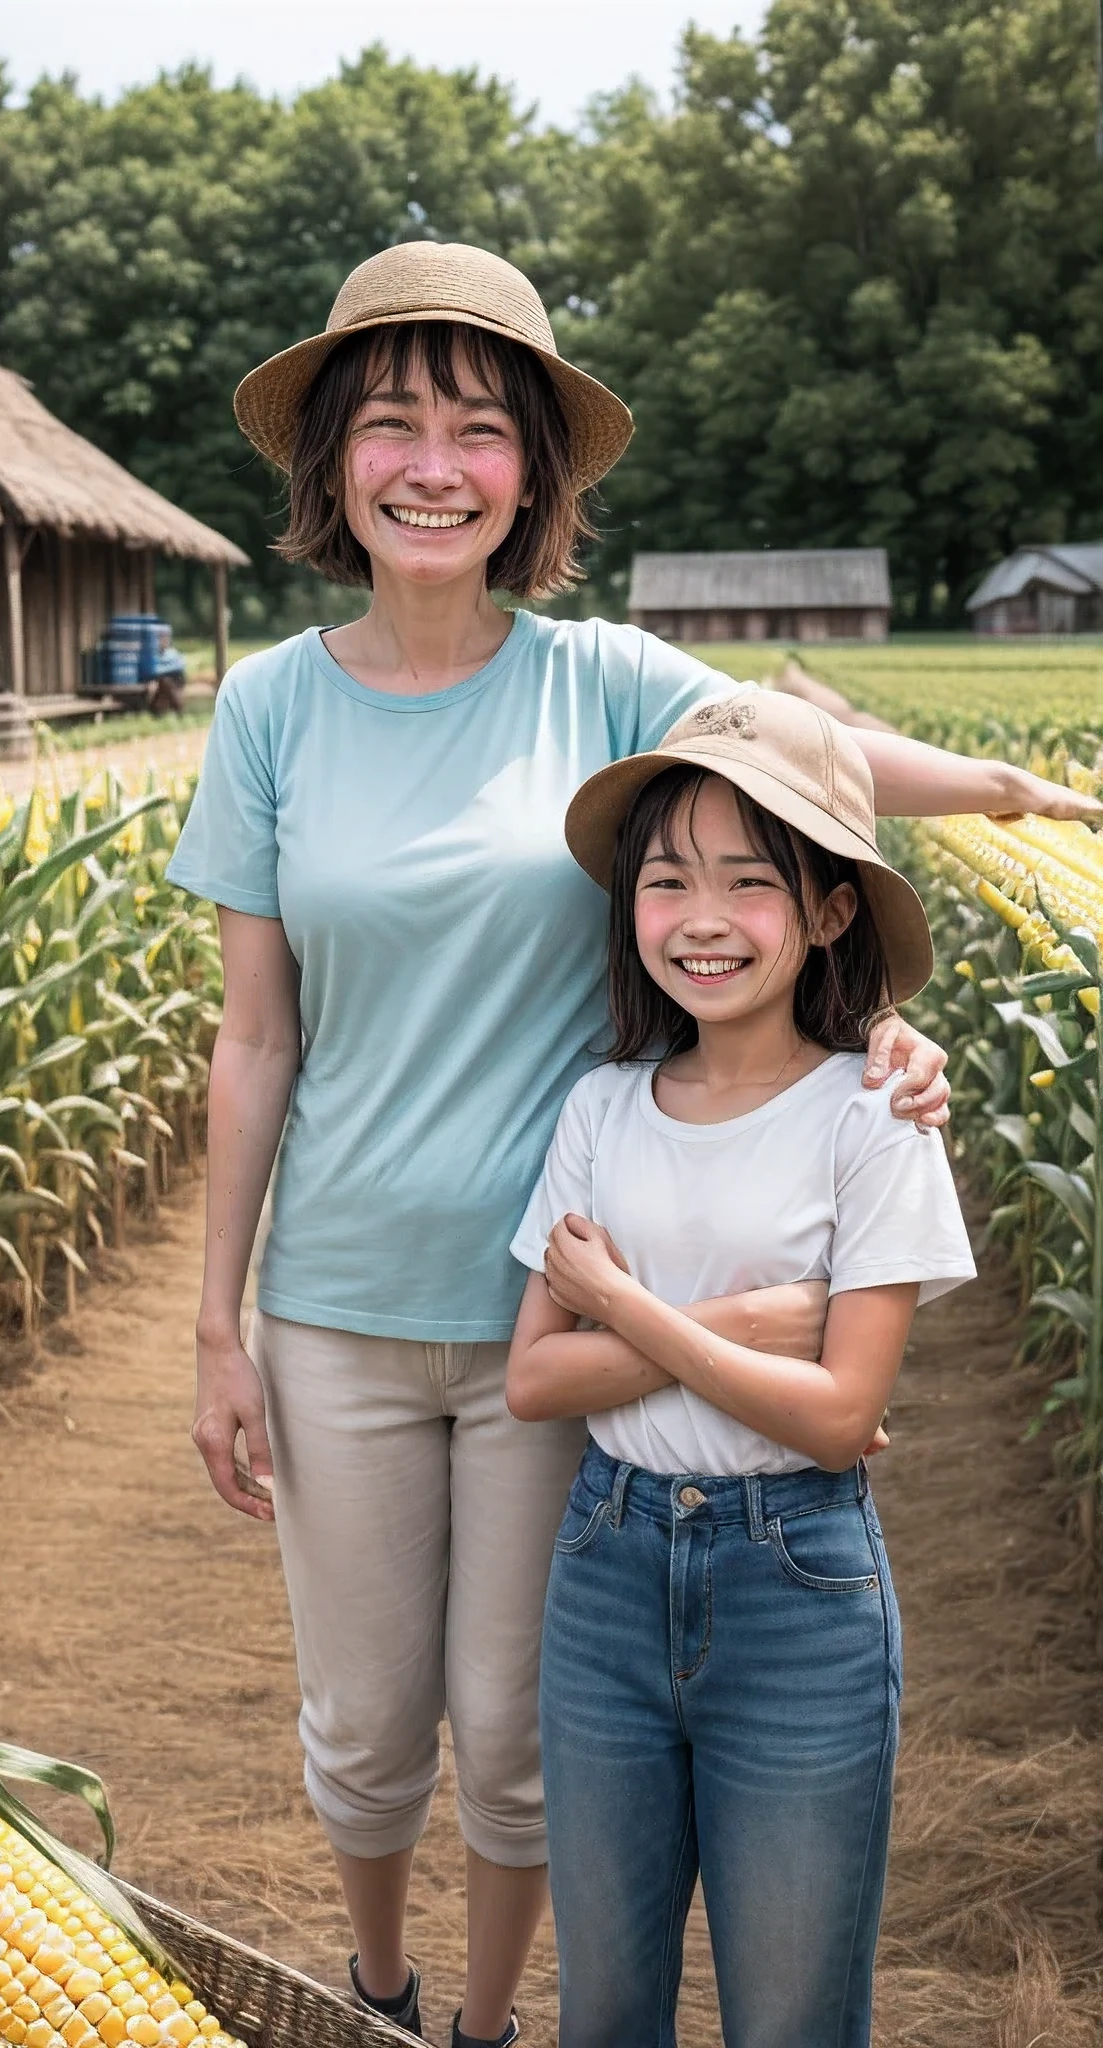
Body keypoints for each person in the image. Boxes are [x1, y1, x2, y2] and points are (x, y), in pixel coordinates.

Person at [165, 240, 1094, 2046]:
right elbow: (255, 1036)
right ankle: (378, 1988)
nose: (432, 463)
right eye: (391, 424)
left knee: (515, 1732)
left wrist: (992, 799)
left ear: (533, 476)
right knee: (364, 1727)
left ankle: (489, 2027)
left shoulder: (594, 676)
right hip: (339, 1304)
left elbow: (803, 760)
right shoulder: (268, 704)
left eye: (477, 429)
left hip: (570, 1312)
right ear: (332, 464)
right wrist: (220, 1324)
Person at [506, 689, 977, 2047]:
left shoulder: (876, 1116)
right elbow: (535, 1382)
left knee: (792, 2018)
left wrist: (624, 1309)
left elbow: (839, 1422)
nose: (700, 920)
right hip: (605, 1569)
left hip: (798, 1593)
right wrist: (757, 1328)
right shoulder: (600, 1107)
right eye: (665, 881)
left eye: (748, 884)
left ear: (831, 911)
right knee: (604, 2011)